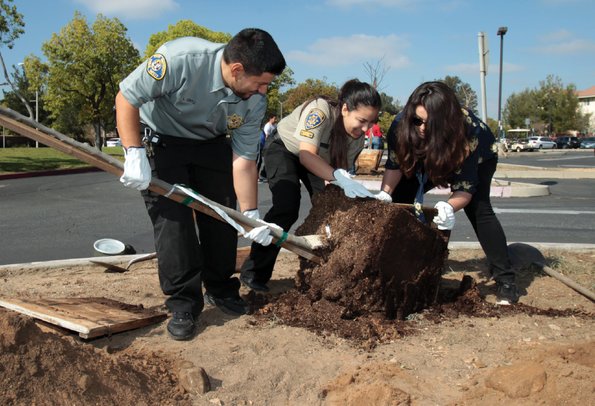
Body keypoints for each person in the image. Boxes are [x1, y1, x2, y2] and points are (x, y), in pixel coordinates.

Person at [115, 28, 286, 340]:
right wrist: (134, 151)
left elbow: (245, 160)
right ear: (237, 70)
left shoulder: (254, 102)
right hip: (162, 141)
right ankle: (183, 302)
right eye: (260, 82)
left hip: (210, 145)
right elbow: (127, 97)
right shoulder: (181, 58)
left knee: (222, 218)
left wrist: (250, 215)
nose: (264, 91)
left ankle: (220, 288)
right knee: (174, 225)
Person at [375, 81, 519, 305]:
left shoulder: (468, 133)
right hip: (426, 155)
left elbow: (464, 189)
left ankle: (506, 279)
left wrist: (449, 206)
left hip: (475, 158)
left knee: (479, 209)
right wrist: (385, 193)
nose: (422, 127)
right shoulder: (400, 125)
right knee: (399, 202)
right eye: (417, 120)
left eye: (429, 123)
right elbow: (395, 165)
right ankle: (403, 268)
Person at [240, 79, 381, 292]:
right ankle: (254, 272)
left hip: (315, 161)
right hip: (285, 149)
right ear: (345, 109)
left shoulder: (357, 139)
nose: (365, 128)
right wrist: (338, 177)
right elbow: (306, 155)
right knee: (287, 207)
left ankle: (325, 273)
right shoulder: (320, 111)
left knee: (331, 209)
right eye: (362, 120)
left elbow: (336, 175)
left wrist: (347, 189)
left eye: (371, 123)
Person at [258, 114, 277, 182]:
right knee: (263, 160)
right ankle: (262, 175)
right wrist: (266, 146)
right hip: (267, 145)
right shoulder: (268, 126)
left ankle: (265, 174)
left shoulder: (274, 125)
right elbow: (266, 137)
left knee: (272, 160)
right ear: (270, 118)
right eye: (274, 118)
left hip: (272, 145)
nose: (275, 120)